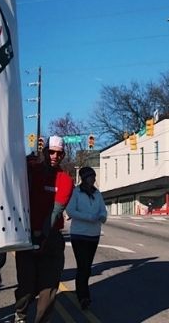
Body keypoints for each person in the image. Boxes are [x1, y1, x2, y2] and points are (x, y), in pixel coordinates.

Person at [14, 136, 74, 323]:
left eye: (59, 153)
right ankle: (20, 314)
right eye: (51, 152)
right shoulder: (32, 171)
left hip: (51, 238)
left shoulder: (65, 180)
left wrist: (42, 237)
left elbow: (55, 212)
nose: (55, 156)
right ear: (44, 151)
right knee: (27, 287)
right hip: (27, 236)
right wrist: (24, 160)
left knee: (48, 290)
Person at [66, 166, 107, 310]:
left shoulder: (97, 193)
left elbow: (103, 210)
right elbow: (70, 210)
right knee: (82, 266)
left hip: (94, 235)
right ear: (84, 178)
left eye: (94, 176)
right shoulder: (76, 192)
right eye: (91, 176)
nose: (94, 179)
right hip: (79, 234)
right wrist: (89, 217)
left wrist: (102, 217)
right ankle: (83, 296)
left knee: (87, 267)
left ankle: (82, 292)